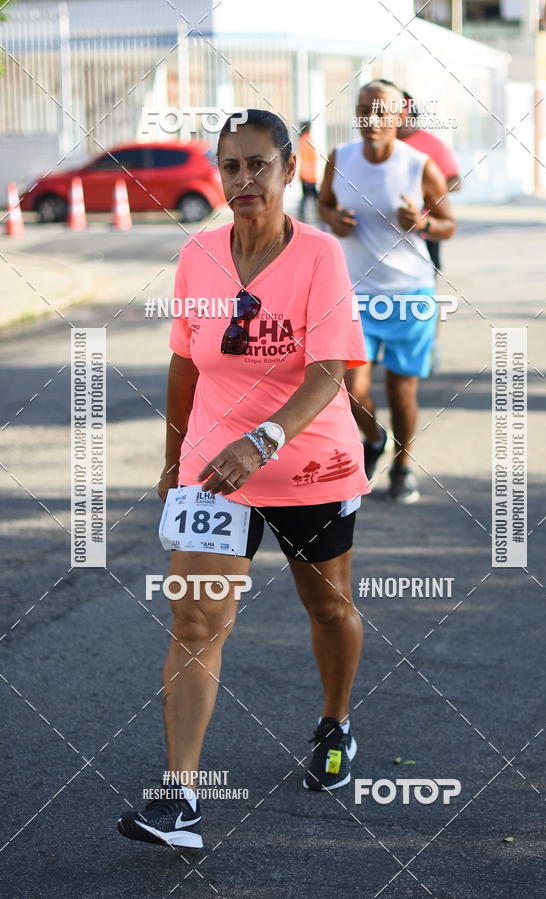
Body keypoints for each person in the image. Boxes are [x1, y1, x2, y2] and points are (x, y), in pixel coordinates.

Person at [117, 109, 370, 850]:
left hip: (310, 463)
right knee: (195, 622)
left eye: (260, 164)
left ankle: (336, 721)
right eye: (231, 166)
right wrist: (175, 459)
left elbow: (329, 368)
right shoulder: (197, 254)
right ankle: (181, 800)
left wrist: (264, 440)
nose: (245, 179)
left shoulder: (319, 255)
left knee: (327, 607)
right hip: (213, 468)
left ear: (289, 170)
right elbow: (184, 363)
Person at [318, 79, 456, 502]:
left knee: (402, 392)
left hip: (409, 294)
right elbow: (324, 203)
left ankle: (402, 465)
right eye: (364, 110)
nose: (372, 119)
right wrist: (333, 220)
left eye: (381, 111)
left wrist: (424, 224)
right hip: (354, 293)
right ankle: (374, 438)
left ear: (400, 116)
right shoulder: (340, 158)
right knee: (351, 388)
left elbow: (448, 225)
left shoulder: (419, 165)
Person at [397, 90, 461, 276]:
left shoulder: (432, 144)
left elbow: (455, 181)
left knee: (425, 274)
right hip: (384, 227)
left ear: (412, 113)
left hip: (423, 225)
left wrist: (428, 191)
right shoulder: (377, 145)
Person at [298, 121, 319, 220]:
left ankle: (302, 215)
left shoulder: (303, 139)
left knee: (309, 196)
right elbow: (308, 159)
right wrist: (309, 176)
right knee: (313, 196)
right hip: (309, 175)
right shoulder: (307, 140)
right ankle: (318, 214)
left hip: (306, 174)